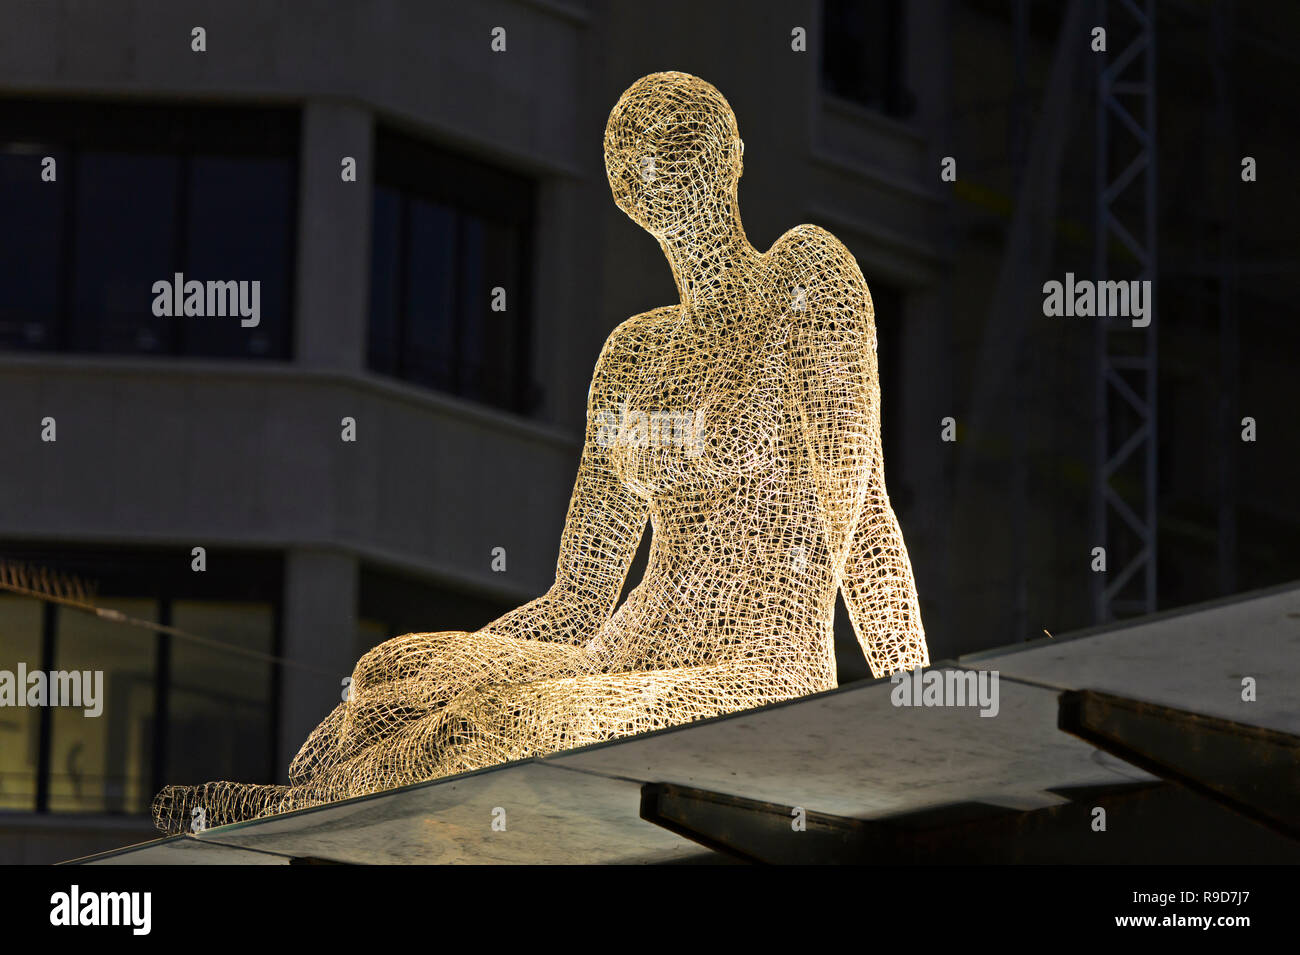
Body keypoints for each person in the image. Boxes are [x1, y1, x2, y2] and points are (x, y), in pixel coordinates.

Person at [153, 71, 929, 835]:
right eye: (644, 165)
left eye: (682, 152)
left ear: (730, 158)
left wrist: (918, 708)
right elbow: (578, 601)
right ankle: (330, 792)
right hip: (623, 650)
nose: (667, 180)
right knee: (391, 673)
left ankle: (298, 815)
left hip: (752, 676)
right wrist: (417, 683)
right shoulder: (632, 356)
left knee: (487, 725)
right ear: (628, 194)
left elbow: (859, 511)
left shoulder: (807, 275)